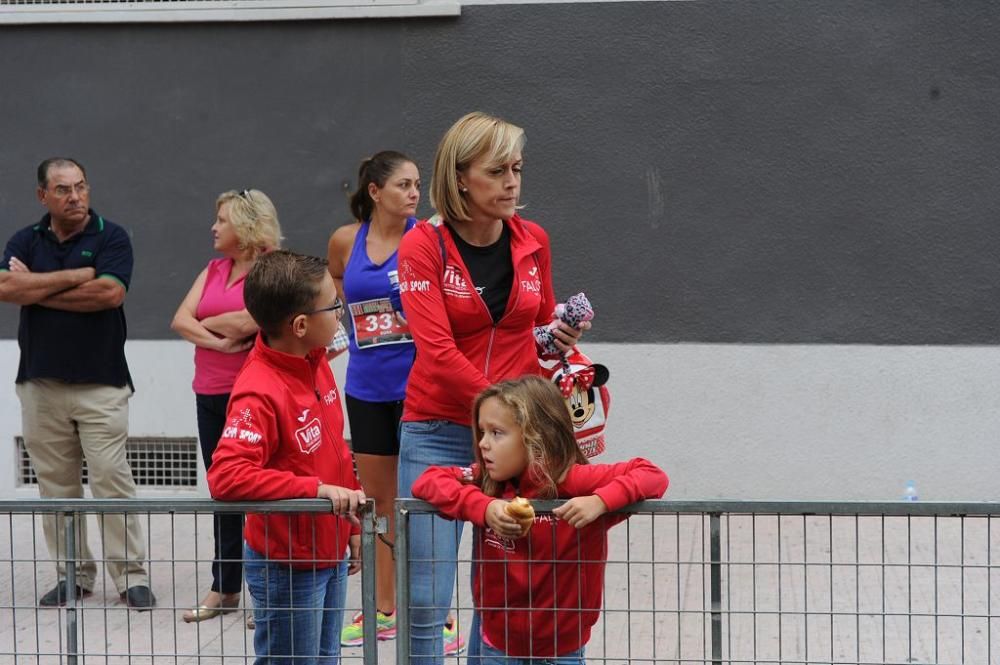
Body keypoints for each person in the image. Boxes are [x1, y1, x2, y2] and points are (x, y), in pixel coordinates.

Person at [396, 111, 589, 662]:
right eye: (497, 170)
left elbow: (535, 333)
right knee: (427, 600)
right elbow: (436, 353)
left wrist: (558, 337)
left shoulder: (534, 239)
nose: (512, 183)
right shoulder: (423, 245)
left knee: (502, 591)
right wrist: (506, 415)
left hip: (513, 437)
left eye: (518, 169)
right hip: (437, 430)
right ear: (460, 178)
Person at [413, 376, 668, 663]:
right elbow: (427, 480)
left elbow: (651, 473)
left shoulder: (574, 481)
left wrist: (600, 502)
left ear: (536, 436)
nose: (483, 444)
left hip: (562, 651)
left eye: (496, 433)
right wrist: (482, 507)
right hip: (498, 647)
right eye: (481, 432)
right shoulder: (486, 483)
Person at [0, 158, 154, 609]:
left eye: (81, 187)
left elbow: (109, 294)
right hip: (40, 384)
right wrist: (76, 276)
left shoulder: (111, 236)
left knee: (110, 477)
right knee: (56, 485)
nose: (75, 197)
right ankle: (73, 575)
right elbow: (7, 289)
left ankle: (131, 576)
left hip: (101, 383)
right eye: (64, 189)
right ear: (42, 196)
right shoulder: (26, 239)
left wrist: (37, 286)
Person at [207, 250, 366, 664]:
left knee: (325, 658)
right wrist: (315, 490)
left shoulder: (315, 360)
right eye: (333, 304)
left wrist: (350, 526)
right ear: (299, 325)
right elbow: (226, 477)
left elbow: (334, 446)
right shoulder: (259, 388)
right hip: (288, 564)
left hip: (328, 549)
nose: (341, 310)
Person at [171, 189, 282, 623]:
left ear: (246, 225)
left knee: (260, 492)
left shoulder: (272, 267)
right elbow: (180, 319)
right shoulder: (215, 268)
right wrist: (221, 339)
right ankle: (225, 587)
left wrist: (208, 322)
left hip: (253, 394)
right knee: (223, 491)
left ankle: (263, 590)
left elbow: (254, 321)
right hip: (210, 392)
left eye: (222, 220)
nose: (213, 228)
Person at [326, 151, 422, 647]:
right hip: (365, 389)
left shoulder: (426, 240)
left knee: (424, 501)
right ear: (375, 191)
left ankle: (431, 612)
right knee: (380, 502)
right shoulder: (346, 242)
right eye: (404, 185)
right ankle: (383, 607)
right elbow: (338, 287)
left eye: (417, 185)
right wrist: (349, 326)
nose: (414, 193)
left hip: (421, 391)